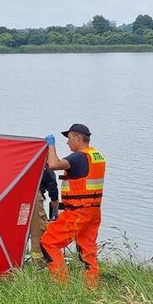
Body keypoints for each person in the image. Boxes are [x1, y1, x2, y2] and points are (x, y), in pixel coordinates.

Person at [39, 123, 105, 287]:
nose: (67, 143)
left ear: (78, 138)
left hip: (78, 212)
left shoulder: (78, 157)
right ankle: (92, 287)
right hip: (93, 211)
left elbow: (54, 164)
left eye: (69, 139)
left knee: (48, 242)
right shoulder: (96, 155)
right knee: (87, 250)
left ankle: (61, 286)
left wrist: (50, 146)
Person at [27, 167, 60, 263]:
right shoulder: (46, 167)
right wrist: (55, 214)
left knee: (16, 231)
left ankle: (12, 264)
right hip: (34, 196)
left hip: (14, 195)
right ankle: (39, 263)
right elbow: (53, 194)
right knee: (38, 232)